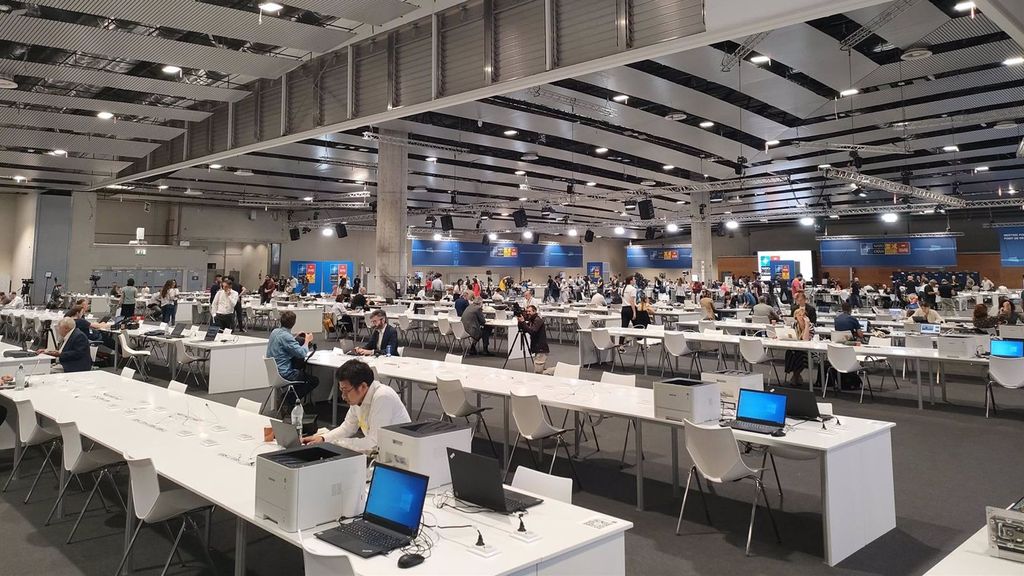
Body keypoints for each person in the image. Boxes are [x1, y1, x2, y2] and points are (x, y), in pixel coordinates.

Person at [302, 359, 410, 454]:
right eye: (341, 390)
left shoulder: (383, 396)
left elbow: (374, 442)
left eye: (346, 391)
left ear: (362, 386)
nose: (343, 396)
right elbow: (348, 427)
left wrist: (337, 443)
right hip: (383, 452)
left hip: (400, 454)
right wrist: (323, 438)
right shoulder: (358, 398)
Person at [266, 310, 319, 410]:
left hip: (275, 373)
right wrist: (307, 341)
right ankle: (288, 399)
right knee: (313, 381)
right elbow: (302, 353)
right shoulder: (286, 336)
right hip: (285, 373)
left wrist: (294, 338)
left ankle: (288, 399)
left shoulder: (275, 332)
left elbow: (285, 344)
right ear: (294, 323)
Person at [783, 307, 813, 386]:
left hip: (808, 350)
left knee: (799, 355)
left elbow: (805, 339)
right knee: (789, 352)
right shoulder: (794, 325)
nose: (801, 317)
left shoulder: (810, 326)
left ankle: (795, 377)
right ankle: (797, 376)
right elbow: (790, 336)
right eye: (799, 316)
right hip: (795, 348)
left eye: (803, 315)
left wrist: (806, 325)